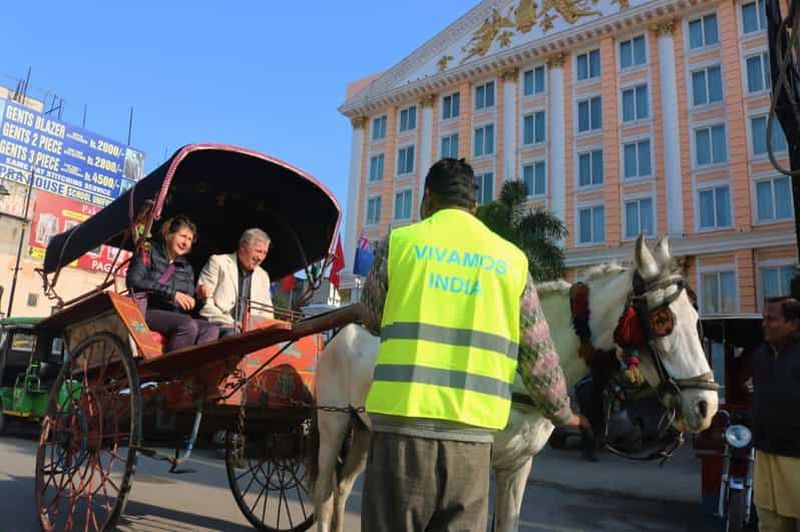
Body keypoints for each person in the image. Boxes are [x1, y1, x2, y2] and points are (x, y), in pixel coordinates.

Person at [359, 158, 590, 531]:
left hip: (401, 435)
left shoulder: (400, 244)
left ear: (427, 200)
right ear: (474, 207)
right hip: (473, 442)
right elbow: (539, 357)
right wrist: (566, 415)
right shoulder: (511, 262)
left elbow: (371, 317)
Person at [126, 215, 219, 352]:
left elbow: (189, 305)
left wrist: (200, 298)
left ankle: (196, 369)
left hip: (174, 316)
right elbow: (134, 281)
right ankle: (171, 371)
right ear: (169, 234)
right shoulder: (148, 250)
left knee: (210, 329)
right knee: (187, 325)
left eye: (190, 239)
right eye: (182, 236)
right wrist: (172, 294)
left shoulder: (186, 267)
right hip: (146, 310)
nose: (186, 242)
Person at [752, 296, 800, 532]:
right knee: (770, 524)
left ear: (793, 324)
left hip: (795, 458)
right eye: (763, 318)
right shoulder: (761, 354)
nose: (764, 324)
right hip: (765, 454)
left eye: (771, 319)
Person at [197, 228, 274, 336]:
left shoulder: (263, 276)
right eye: (258, 251)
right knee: (232, 335)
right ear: (242, 247)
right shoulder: (218, 262)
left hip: (250, 333)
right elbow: (205, 304)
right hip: (218, 326)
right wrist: (231, 323)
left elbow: (267, 312)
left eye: (264, 253)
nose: (260, 258)